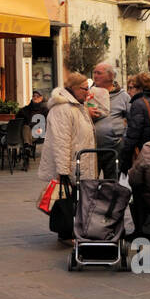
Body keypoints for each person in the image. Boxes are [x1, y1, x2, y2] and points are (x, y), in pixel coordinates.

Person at [38, 72, 96, 245]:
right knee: (67, 201)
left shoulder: (77, 106)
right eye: (85, 89)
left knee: (76, 200)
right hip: (70, 164)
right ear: (75, 88)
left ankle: (75, 231)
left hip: (80, 162)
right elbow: (61, 141)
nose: (88, 92)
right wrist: (63, 171)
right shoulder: (62, 109)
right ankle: (66, 233)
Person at [118, 72, 150, 171]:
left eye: (131, 88)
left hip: (141, 152)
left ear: (140, 88)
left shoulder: (137, 104)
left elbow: (133, 134)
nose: (128, 91)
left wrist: (124, 158)